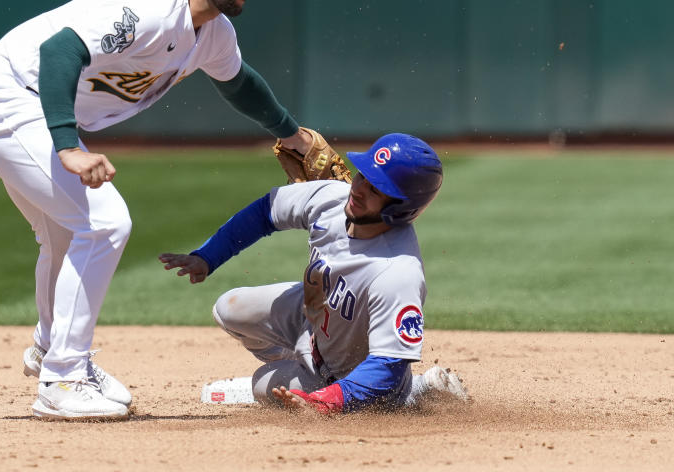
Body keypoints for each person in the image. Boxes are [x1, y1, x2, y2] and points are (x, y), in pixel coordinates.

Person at [0, 0, 316, 420]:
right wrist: (67, 147)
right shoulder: (147, 7)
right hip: (7, 97)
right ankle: (62, 381)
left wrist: (290, 133)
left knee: (66, 233)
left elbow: (239, 84)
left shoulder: (213, 33)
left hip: (27, 104)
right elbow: (61, 51)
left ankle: (54, 351)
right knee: (104, 223)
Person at [160, 133, 469, 415]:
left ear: (401, 208)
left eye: (375, 189)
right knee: (227, 309)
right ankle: (299, 363)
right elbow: (265, 213)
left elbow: (388, 365)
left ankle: (411, 394)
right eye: (362, 175)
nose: (358, 189)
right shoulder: (334, 198)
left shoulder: (396, 272)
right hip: (311, 318)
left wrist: (328, 399)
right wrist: (207, 256)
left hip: (345, 373)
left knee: (261, 386)